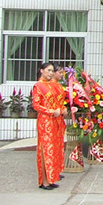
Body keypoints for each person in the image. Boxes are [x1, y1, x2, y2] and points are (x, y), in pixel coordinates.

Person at [32, 62, 66, 190]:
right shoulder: (38, 86)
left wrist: (62, 110)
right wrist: (51, 111)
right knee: (45, 150)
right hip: (45, 121)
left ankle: (52, 178)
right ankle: (44, 181)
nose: (51, 73)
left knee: (55, 149)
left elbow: (58, 102)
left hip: (55, 120)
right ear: (41, 71)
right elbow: (36, 105)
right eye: (48, 70)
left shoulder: (52, 85)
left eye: (52, 71)